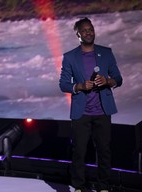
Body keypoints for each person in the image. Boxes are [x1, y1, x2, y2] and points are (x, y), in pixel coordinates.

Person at [59, 17, 123, 192]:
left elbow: (118, 79)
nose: (89, 32)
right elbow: (63, 84)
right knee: (79, 152)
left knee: (104, 151)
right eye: (84, 30)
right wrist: (79, 86)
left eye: (91, 29)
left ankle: (103, 186)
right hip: (82, 112)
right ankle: (79, 186)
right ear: (78, 34)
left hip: (103, 110)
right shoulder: (70, 57)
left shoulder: (106, 53)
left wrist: (108, 81)